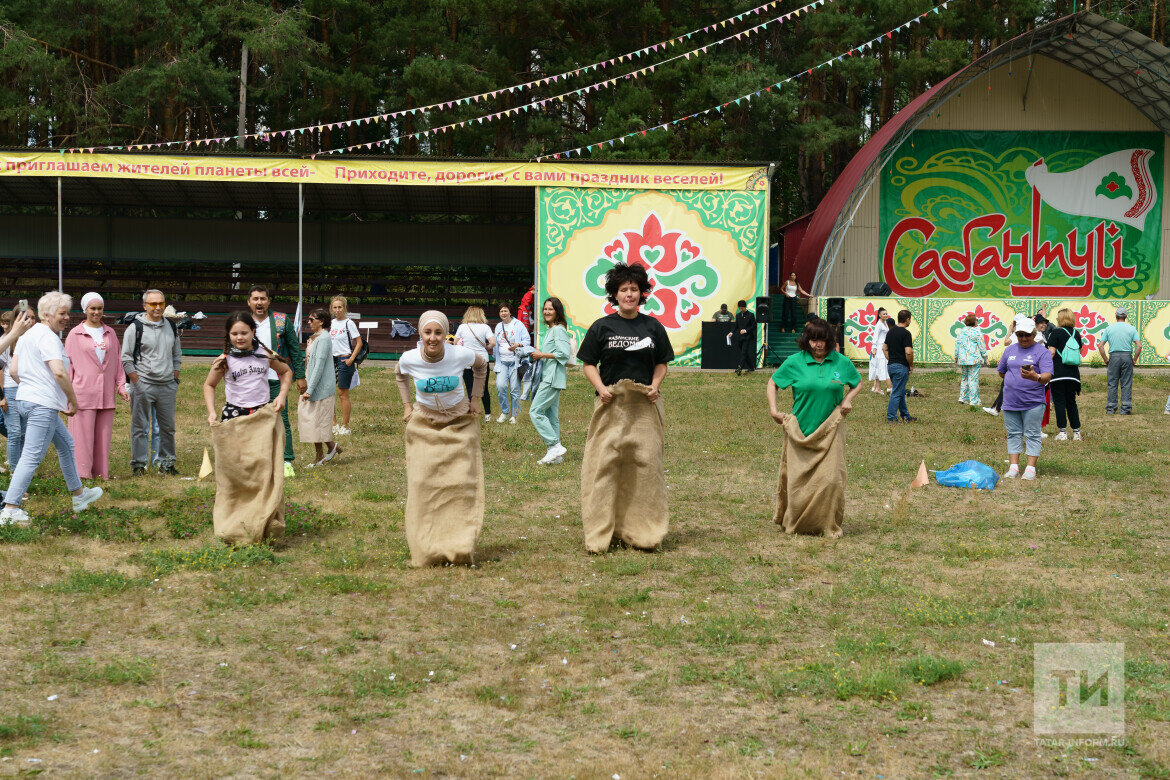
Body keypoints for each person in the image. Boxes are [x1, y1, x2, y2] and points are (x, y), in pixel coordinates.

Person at [577, 262, 674, 553]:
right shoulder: (602, 326)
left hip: (644, 406)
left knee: (645, 468)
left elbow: (661, 363)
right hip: (610, 405)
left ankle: (642, 531)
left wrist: (655, 386)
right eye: (623, 290)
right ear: (614, 294)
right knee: (604, 467)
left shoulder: (652, 326)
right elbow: (588, 364)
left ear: (641, 294)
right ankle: (602, 533)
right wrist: (601, 388)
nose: (629, 294)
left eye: (634, 289)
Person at [1, 292, 104, 526]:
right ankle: (10, 508)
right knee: (31, 456)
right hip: (42, 405)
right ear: (47, 315)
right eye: (62, 313)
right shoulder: (48, 337)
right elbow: (58, 371)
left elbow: (15, 371)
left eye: (68, 312)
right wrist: (72, 400)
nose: (67, 317)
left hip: (28, 401)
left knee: (66, 444)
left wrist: (31, 389)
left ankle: (79, 495)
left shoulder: (28, 335)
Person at [396, 310, 488, 566]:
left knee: (461, 482)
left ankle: (459, 542)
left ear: (445, 333)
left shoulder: (459, 354)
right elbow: (399, 374)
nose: (433, 338)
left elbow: (481, 365)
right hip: (425, 423)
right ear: (420, 333)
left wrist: (475, 399)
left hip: (458, 422)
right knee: (422, 482)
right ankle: (428, 545)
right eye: (428, 332)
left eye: (438, 332)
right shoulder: (409, 358)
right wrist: (407, 406)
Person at [767, 317, 861, 537]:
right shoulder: (794, 362)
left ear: (830, 340)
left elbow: (857, 383)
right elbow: (773, 383)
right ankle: (795, 522)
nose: (819, 345)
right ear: (806, 341)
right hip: (800, 431)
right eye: (814, 340)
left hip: (830, 431)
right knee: (797, 483)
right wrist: (774, 410)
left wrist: (847, 400)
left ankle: (827, 525)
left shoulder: (841, 362)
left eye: (823, 340)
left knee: (831, 481)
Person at [64, 293, 129, 480]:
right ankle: (82, 474)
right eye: (92, 308)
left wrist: (121, 386)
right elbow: (68, 366)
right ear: (85, 310)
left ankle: (101, 474)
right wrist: (66, 396)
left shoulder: (110, 333)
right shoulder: (75, 334)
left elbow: (117, 363)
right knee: (81, 438)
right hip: (82, 394)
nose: (96, 312)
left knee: (103, 438)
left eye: (99, 308)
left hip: (105, 394)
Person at [121, 289, 182, 476]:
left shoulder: (171, 327)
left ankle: (166, 463)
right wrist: (137, 383)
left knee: (168, 428)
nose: (158, 307)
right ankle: (139, 465)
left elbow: (176, 354)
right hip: (143, 385)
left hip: (167, 386)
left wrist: (175, 378)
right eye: (153, 304)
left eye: (161, 303)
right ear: (144, 306)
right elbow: (126, 358)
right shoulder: (135, 328)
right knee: (140, 427)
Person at [247, 285, 306, 475]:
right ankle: (256, 459)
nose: (259, 302)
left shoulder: (281, 320)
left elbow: (295, 349)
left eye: (263, 299)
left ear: (268, 301)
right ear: (249, 302)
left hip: (276, 380)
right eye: (255, 299)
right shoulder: (242, 321)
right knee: (251, 420)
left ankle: (286, 460)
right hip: (250, 381)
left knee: (281, 420)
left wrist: (301, 376)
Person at [202, 312, 292, 423]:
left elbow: (286, 371)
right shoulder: (224, 360)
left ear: (253, 331)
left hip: (262, 412)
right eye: (234, 334)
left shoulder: (266, 354)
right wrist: (211, 412)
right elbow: (209, 385)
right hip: (233, 414)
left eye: (244, 333)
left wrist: (282, 396)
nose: (239, 337)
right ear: (228, 335)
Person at [997, 318, 1053, 480]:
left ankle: (1030, 469)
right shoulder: (1010, 350)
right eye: (1020, 335)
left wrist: (1036, 377)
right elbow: (1002, 371)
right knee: (1013, 433)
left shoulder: (1042, 352)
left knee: (1032, 434)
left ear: (1034, 335)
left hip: (1033, 402)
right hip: (1010, 401)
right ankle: (1013, 467)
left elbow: (1047, 376)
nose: (1023, 338)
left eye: (1027, 335)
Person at [527, 297, 573, 465]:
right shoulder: (551, 330)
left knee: (536, 411)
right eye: (545, 309)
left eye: (550, 309)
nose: (546, 312)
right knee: (551, 416)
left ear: (557, 311)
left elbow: (563, 353)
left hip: (552, 378)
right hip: (549, 376)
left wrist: (542, 355)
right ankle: (556, 456)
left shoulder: (558, 330)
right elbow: (550, 352)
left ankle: (554, 445)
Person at [299, 309, 341, 466]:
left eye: (311, 319)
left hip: (321, 388)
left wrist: (310, 389)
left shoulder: (323, 339)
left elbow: (319, 367)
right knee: (312, 422)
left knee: (317, 423)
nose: (308, 322)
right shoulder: (316, 338)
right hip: (313, 385)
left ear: (321, 321)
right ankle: (330, 447)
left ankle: (322, 454)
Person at [0, 308, 36, 473]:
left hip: (30, 391)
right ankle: (16, 472)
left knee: (23, 434)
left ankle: (23, 469)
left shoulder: (36, 339)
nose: (29, 321)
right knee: (14, 432)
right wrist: (1, 396)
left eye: (33, 318)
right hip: (12, 390)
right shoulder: (7, 340)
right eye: (25, 317)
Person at [1045, 308, 1084, 441]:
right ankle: (1076, 432)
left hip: (1058, 373)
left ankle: (1062, 432)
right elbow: (1079, 350)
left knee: (1060, 402)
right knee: (1071, 402)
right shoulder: (1076, 333)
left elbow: (1051, 352)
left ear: (1060, 319)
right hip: (1073, 374)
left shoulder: (1055, 333)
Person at [454, 306, 496, 421]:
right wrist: (486, 347)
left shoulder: (462, 327)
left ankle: (472, 414)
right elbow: (493, 342)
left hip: (467, 360)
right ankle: (488, 414)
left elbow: (455, 343)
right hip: (482, 360)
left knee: (469, 388)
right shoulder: (485, 327)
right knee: (484, 388)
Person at [328, 296, 362, 436]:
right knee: (329, 393)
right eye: (335, 307)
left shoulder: (349, 323)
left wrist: (351, 359)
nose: (337, 310)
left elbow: (359, 342)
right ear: (331, 309)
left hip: (344, 360)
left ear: (345, 308)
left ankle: (345, 426)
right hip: (331, 360)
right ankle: (334, 424)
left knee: (343, 394)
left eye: (340, 307)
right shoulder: (331, 323)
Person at [1098, 307, 1140, 415]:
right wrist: (1134, 359)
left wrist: (1106, 360)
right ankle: (1125, 408)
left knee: (1112, 383)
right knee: (1126, 383)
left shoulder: (1109, 328)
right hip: (1127, 356)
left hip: (1114, 357)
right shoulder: (1132, 328)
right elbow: (1139, 346)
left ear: (1116, 316)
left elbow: (1101, 346)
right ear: (1125, 317)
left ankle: (1111, 408)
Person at [493, 303, 530, 423]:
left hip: (516, 362)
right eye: (501, 311)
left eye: (505, 311)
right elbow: (496, 345)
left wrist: (518, 345)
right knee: (500, 386)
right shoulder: (498, 326)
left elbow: (527, 341)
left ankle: (515, 414)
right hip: (502, 362)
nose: (503, 313)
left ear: (510, 312)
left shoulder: (518, 325)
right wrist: (495, 359)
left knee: (514, 389)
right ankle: (505, 412)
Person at [883, 309, 916, 423]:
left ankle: (905, 416)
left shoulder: (890, 332)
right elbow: (908, 352)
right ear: (907, 319)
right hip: (901, 366)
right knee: (897, 392)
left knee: (900, 391)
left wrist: (890, 359)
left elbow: (884, 348)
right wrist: (910, 364)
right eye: (910, 319)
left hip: (891, 366)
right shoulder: (906, 333)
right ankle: (891, 418)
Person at [953, 314, 988, 406]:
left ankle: (963, 397)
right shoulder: (977, 332)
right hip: (974, 359)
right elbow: (982, 346)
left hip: (963, 359)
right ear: (975, 322)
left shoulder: (961, 332)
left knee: (964, 378)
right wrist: (986, 358)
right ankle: (974, 401)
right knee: (973, 380)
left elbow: (957, 345)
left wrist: (956, 357)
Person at [868, 307, 891, 394]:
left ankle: (877, 388)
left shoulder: (885, 322)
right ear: (879, 315)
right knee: (879, 366)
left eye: (886, 313)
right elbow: (875, 337)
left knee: (881, 366)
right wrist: (874, 348)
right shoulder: (879, 324)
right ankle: (879, 388)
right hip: (879, 348)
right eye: (884, 314)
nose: (885, 315)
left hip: (884, 347)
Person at [733, 300, 757, 375]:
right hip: (740, 337)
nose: (740, 310)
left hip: (747, 337)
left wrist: (746, 330)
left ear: (744, 307)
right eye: (739, 308)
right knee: (745, 353)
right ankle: (751, 367)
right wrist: (731, 332)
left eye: (741, 308)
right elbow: (736, 326)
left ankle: (740, 368)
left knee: (743, 352)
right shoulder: (738, 315)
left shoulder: (751, 315)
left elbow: (754, 326)